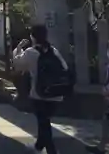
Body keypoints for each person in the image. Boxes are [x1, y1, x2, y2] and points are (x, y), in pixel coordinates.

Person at [12, 24, 68, 154]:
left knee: (44, 123)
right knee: (44, 121)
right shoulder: (53, 50)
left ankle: (51, 151)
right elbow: (64, 68)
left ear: (32, 36)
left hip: (39, 93)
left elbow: (18, 64)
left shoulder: (31, 52)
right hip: (56, 93)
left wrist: (18, 48)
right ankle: (38, 147)